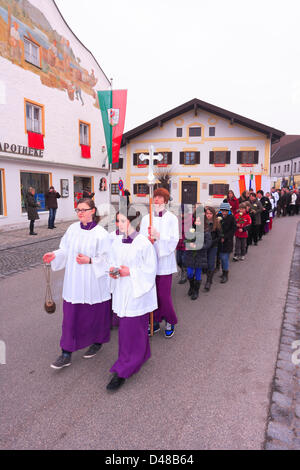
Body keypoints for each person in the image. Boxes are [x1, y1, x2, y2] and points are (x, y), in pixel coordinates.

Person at [42, 198, 112, 369]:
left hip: (93, 282)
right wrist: (55, 255)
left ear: (93, 211)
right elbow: (65, 250)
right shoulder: (72, 229)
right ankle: (66, 352)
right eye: (78, 209)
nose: (80, 212)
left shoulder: (101, 234)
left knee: (95, 315)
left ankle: (97, 342)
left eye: (84, 209)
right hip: (74, 281)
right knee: (70, 318)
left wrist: (90, 260)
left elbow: (109, 260)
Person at [108, 206, 157, 391]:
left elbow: (150, 270)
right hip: (122, 291)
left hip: (138, 293)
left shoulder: (143, 243)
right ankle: (143, 354)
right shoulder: (117, 241)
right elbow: (112, 262)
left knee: (129, 331)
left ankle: (123, 369)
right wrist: (113, 271)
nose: (118, 224)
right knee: (132, 329)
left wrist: (131, 272)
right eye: (117, 220)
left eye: (122, 221)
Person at [140, 188, 179, 338]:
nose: (156, 200)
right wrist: (147, 241)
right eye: (155, 197)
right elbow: (141, 239)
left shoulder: (171, 219)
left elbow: (174, 239)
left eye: (160, 197)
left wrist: (159, 236)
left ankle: (170, 320)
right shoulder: (146, 219)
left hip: (164, 263)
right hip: (149, 263)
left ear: (165, 200)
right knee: (152, 294)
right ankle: (154, 321)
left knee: (164, 295)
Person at [184, 208, 212, 300]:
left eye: (199, 221)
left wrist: (198, 245)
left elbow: (208, 244)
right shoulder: (191, 229)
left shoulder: (206, 231)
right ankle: (191, 286)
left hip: (200, 256)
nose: (197, 222)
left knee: (198, 274)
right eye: (196, 220)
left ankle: (196, 291)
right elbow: (186, 240)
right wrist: (189, 243)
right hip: (190, 255)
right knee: (189, 273)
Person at [204, 206, 221, 291]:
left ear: (213, 214)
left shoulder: (216, 223)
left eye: (210, 213)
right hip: (204, 246)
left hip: (212, 246)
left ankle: (209, 281)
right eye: (207, 213)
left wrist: (212, 242)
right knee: (205, 263)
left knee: (211, 263)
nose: (208, 215)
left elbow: (219, 236)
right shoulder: (202, 222)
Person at [218, 202, 236, 283]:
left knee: (224, 258)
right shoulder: (219, 217)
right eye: (222, 210)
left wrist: (225, 237)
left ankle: (225, 274)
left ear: (228, 210)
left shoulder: (231, 218)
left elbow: (233, 230)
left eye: (225, 210)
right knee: (221, 257)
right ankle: (223, 271)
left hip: (227, 241)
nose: (224, 212)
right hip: (219, 241)